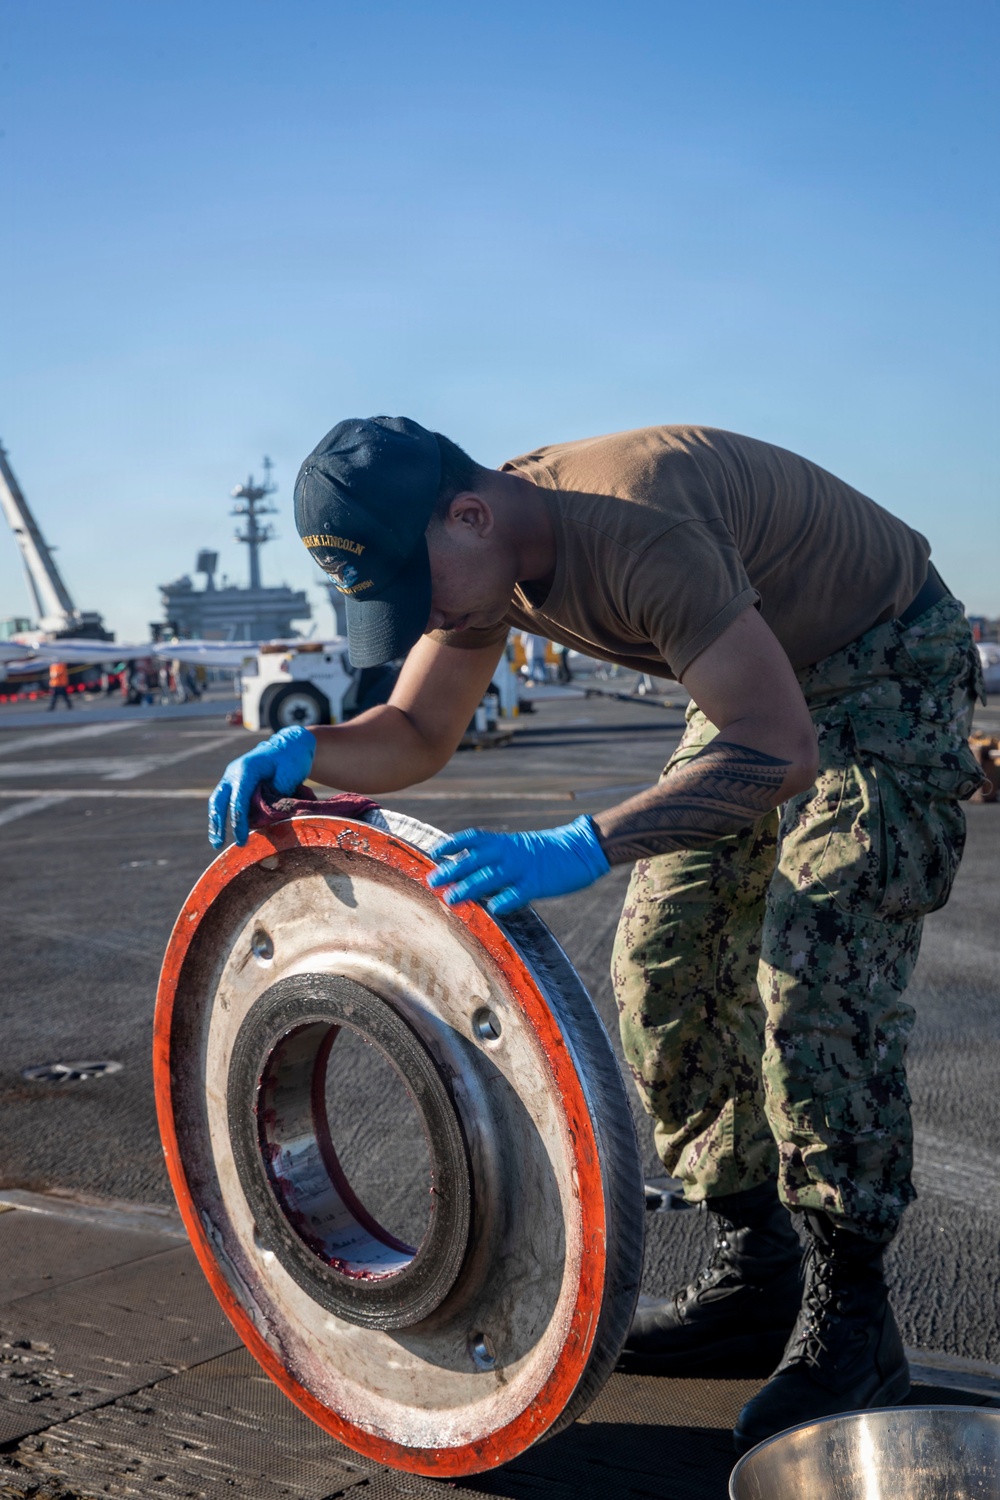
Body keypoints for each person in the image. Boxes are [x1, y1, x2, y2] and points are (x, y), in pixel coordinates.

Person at [208, 416, 984, 1451]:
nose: (426, 615)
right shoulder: (482, 563)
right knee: (664, 959)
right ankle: (756, 1274)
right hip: (758, 674)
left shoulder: (635, 526)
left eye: (419, 588)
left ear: (469, 514)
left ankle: (853, 1318)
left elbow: (780, 748)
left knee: (817, 975)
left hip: (884, 662)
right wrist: (308, 747)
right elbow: (420, 730)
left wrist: (585, 842)